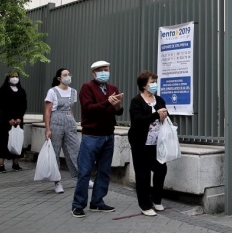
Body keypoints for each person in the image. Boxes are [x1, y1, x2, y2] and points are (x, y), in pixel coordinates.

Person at [71, 60, 124, 218]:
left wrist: (117, 105)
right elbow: (89, 109)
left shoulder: (112, 88)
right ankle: (78, 205)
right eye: (100, 70)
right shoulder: (87, 87)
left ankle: (97, 201)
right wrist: (107, 102)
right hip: (91, 135)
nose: (104, 72)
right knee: (85, 171)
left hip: (108, 134)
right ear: (94, 73)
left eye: (106, 69)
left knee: (104, 171)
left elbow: (118, 112)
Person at [128, 70, 168, 216]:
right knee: (143, 173)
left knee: (161, 169)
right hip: (140, 143)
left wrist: (163, 115)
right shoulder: (136, 101)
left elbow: (164, 115)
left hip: (157, 143)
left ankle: (156, 200)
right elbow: (137, 121)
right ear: (144, 84)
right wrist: (155, 115)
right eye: (152, 81)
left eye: (155, 81)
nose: (154, 84)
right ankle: (145, 205)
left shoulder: (159, 99)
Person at [45, 68, 86, 194]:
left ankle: (82, 178)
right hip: (56, 120)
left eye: (69, 74)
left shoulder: (73, 91)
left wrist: (73, 122)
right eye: (65, 75)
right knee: (55, 151)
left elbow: (71, 109)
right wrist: (47, 129)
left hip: (69, 120)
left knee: (75, 149)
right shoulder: (52, 91)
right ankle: (57, 182)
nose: (68, 76)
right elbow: (47, 111)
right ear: (59, 78)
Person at [0, 72, 28, 173]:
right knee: (3, 141)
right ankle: (1, 164)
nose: (15, 78)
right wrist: (9, 119)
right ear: (8, 78)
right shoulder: (3, 90)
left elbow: (24, 105)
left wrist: (19, 117)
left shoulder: (21, 91)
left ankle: (15, 163)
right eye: (12, 76)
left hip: (18, 120)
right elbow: (1, 106)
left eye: (16, 76)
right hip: (5, 120)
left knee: (16, 141)